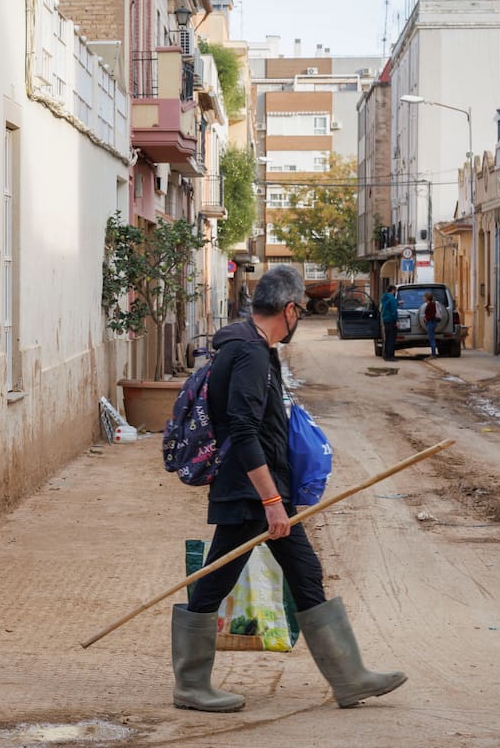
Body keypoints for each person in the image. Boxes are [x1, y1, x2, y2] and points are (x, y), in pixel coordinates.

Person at [171, 265, 406, 712]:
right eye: (300, 310)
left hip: (260, 489)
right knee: (215, 581)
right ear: (291, 309)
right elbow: (243, 429)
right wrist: (272, 500)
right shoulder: (250, 353)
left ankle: (349, 678)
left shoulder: (251, 346)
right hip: (250, 493)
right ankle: (191, 684)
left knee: (305, 573)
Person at [379, 283, 399, 362]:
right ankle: (391, 356)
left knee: (387, 338)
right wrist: (396, 320)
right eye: (395, 291)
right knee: (392, 339)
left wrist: (397, 303)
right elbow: (394, 311)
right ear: (393, 290)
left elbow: (387, 306)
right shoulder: (392, 299)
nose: (395, 292)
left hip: (385, 320)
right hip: (391, 320)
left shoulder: (384, 298)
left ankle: (386, 355)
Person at [422, 291, 438, 358]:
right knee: (432, 338)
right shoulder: (432, 304)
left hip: (431, 322)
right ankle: (433, 354)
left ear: (427, 298)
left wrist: (426, 318)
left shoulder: (430, 305)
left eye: (424, 297)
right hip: (432, 322)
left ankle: (433, 354)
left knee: (431, 338)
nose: (423, 298)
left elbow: (432, 315)